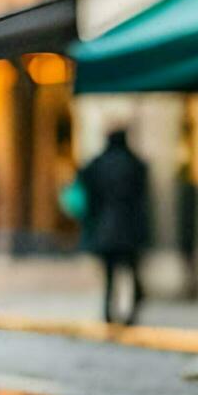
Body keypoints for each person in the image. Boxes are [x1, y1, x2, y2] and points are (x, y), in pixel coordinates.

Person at [79, 128, 150, 324]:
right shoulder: (134, 163)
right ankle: (130, 310)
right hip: (129, 227)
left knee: (110, 274)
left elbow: (85, 181)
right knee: (131, 271)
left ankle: (108, 310)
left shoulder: (99, 163)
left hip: (106, 226)